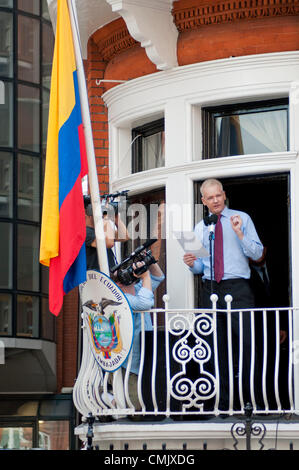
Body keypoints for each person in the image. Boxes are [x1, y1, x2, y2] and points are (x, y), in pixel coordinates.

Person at [183, 178, 264, 411]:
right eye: (210, 197)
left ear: (224, 194)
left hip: (238, 287)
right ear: (203, 201)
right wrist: (191, 263)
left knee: (247, 344)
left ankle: (250, 401)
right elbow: (200, 269)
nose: (215, 200)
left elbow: (257, 254)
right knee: (214, 346)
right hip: (210, 289)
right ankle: (224, 401)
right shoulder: (200, 228)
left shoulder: (242, 218)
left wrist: (239, 234)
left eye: (218, 195)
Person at [112, 259, 165, 412]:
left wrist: (150, 261)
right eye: (121, 276)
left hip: (143, 357)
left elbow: (158, 277)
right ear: (119, 284)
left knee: (146, 402)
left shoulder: (137, 289)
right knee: (135, 407)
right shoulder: (120, 298)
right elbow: (144, 303)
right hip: (128, 364)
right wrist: (145, 276)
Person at [84, 196, 129, 271]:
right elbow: (109, 243)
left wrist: (116, 218)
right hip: (96, 278)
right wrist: (106, 216)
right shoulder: (85, 232)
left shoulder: (98, 230)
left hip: (107, 277)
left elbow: (124, 236)